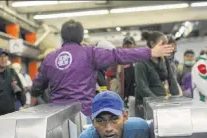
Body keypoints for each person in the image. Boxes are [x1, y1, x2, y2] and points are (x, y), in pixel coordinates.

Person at [30, 19, 174, 120]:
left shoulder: (50, 58)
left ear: (62, 36)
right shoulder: (90, 53)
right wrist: (149, 52)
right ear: (81, 37)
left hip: (58, 117)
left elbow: (36, 87)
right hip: (85, 114)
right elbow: (119, 55)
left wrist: (37, 92)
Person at [134, 31, 180, 117]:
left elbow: (171, 79)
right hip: (146, 106)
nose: (166, 46)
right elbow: (142, 87)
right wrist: (157, 102)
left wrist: (177, 98)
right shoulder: (141, 62)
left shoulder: (164, 59)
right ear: (152, 44)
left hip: (163, 103)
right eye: (163, 44)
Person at [122, 36, 137, 116]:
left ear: (134, 45)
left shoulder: (140, 60)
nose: (128, 47)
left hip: (137, 96)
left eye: (130, 44)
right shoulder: (120, 62)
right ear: (123, 46)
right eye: (126, 45)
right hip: (124, 98)